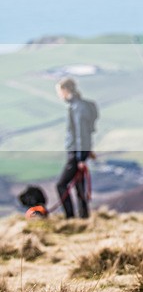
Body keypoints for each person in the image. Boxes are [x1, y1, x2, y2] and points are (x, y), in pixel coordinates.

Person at [54, 77, 96, 219]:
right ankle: (83, 216)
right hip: (79, 152)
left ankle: (70, 216)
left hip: (76, 153)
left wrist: (81, 157)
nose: (59, 95)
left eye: (59, 91)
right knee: (79, 185)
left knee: (61, 185)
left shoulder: (77, 107)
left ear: (66, 90)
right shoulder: (78, 106)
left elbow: (81, 133)